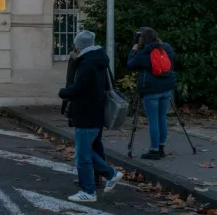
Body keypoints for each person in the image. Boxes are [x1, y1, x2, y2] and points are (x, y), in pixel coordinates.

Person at [58, 30, 123, 203]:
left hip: (86, 113)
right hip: (95, 112)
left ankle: (89, 190)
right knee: (86, 152)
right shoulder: (99, 60)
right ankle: (110, 174)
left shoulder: (87, 64)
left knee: (82, 156)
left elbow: (78, 89)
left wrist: (63, 92)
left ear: (78, 46)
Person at [127, 27, 177, 160]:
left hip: (151, 90)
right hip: (167, 89)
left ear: (142, 38)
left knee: (153, 120)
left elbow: (131, 65)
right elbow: (171, 63)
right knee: (162, 117)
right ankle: (161, 147)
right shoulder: (166, 48)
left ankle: (154, 150)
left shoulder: (144, 52)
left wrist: (134, 49)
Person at [62, 47, 107, 189]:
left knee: (84, 152)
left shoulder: (82, 62)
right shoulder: (102, 59)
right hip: (98, 109)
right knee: (94, 145)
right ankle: (100, 177)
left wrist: (64, 94)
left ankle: (89, 186)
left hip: (84, 111)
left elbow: (74, 86)